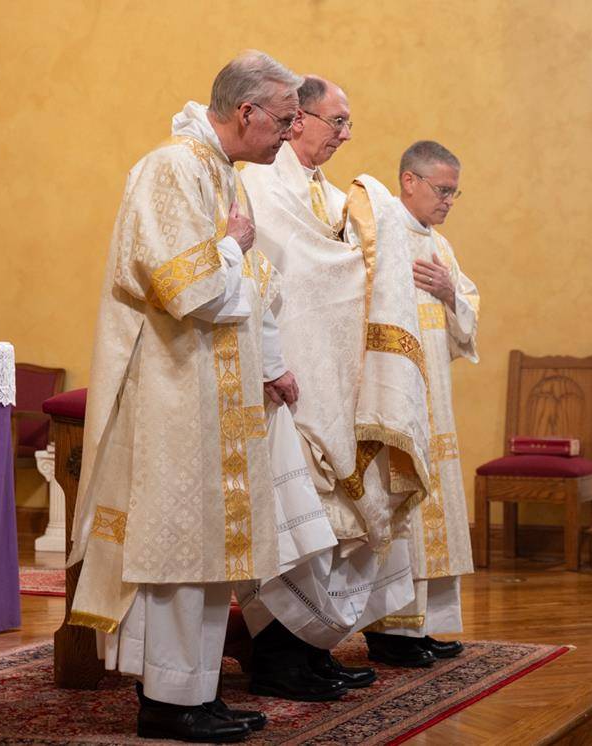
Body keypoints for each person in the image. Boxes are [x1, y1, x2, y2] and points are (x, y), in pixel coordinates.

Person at [66, 51, 302, 743]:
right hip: (172, 390)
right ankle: (166, 700)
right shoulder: (170, 167)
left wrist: (269, 351)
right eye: (285, 119)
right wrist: (230, 251)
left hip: (211, 388)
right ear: (246, 111)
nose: (289, 132)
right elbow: (183, 288)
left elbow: (248, 283)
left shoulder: (222, 173)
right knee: (174, 546)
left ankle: (195, 692)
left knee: (208, 550)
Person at [237, 76, 419, 699]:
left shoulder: (320, 189)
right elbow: (306, 271)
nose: (345, 135)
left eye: (348, 124)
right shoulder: (263, 183)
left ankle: (311, 650)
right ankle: (276, 660)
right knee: (297, 521)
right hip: (287, 374)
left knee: (334, 525)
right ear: (298, 120)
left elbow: (349, 256)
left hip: (328, 374)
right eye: (336, 122)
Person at [346, 140, 480, 667]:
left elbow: (466, 314)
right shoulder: (377, 235)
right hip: (395, 396)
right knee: (400, 509)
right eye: (442, 189)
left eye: (454, 192)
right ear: (409, 181)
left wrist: (450, 293)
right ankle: (391, 629)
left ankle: (422, 624)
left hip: (434, 401)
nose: (449, 200)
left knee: (436, 511)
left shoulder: (439, 246)